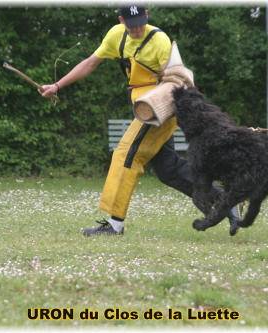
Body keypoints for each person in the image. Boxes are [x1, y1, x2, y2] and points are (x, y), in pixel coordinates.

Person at [40, 5, 241, 236]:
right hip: (142, 106)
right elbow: (90, 62)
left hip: (159, 108)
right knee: (169, 170)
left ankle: (115, 225)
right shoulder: (116, 35)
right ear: (120, 20)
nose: (136, 29)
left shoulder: (160, 41)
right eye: (130, 24)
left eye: (140, 23)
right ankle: (228, 201)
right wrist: (57, 85)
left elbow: (176, 81)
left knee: (125, 154)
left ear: (146, 16)